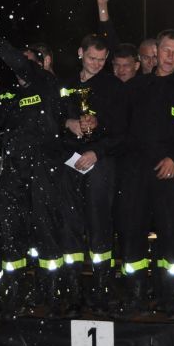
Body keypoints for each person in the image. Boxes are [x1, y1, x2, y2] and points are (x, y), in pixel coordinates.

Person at [0, 18, 74, 316]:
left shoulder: (47, 83)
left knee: (46, 231)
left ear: (41, 64)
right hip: (14, 173)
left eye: (27, 63)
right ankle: (15, 292)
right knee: (12, 232)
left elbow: (18, 61)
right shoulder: (13, 95)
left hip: (44, 168)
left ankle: (52, 293)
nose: (19, 69)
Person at [114, 29, 174, 318]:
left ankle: (171, 297)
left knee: (172, 235)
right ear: (156, 50)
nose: (170, 56)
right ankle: (136, 294)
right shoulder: (137, 86)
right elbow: (121, 129)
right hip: (137, 172)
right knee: (132, 232)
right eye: (166, 50)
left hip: (171, 171)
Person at [59, 34, 127, 313]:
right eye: (91, 58)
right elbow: (49, 118)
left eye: (102, 59)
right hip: (67, 162)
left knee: (100, 225)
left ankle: (102, 290)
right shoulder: (64, 85)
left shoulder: (113, 86)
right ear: (80, 53)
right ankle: (73, 293)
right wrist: (68, 122)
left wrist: (97, 146)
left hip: (100, 161)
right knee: (69, 226)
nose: (97, 64)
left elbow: (122, 130)